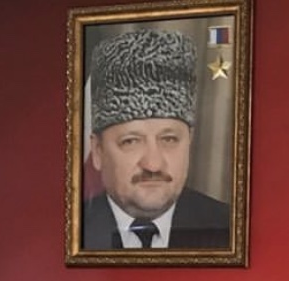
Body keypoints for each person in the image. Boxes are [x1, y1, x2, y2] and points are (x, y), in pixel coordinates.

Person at [82, 29, 230, 251]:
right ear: (97, 151)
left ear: (189, 140)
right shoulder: (70, 230)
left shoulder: (228, 228)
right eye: (131, 141)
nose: (153, 164)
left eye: (169, 139)